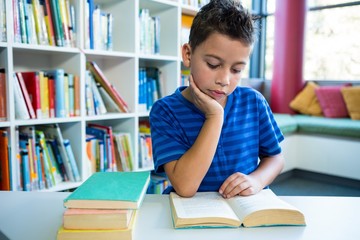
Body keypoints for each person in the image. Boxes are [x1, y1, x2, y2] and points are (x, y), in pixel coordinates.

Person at [149, 0, 284, 198]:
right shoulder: (165, 111)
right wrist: (214, 116)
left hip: (244, 211)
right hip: (191, 213)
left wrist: (257, 180)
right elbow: (185, 187)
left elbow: (275, 158)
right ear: (188, 54)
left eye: (236, 70)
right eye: (213, 65)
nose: (224, 80)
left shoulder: (253, 102)